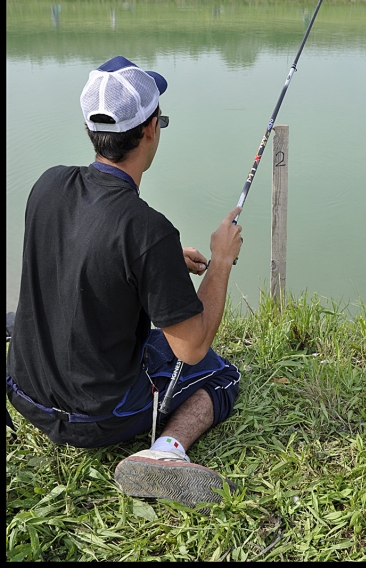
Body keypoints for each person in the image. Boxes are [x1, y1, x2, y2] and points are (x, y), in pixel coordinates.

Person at [6, 55, 243, 510]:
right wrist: (221, 261)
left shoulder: (48, 184)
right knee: (218, 372)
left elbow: (81, 245)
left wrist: (162, 262)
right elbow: (190, 348)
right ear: (151, 128)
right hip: (96, 417)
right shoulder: (147, 229)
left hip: (24, 392)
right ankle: (165, 452)